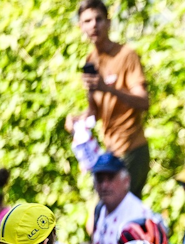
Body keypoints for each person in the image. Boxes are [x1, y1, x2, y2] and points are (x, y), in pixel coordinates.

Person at [66, 0, 151, 197]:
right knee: (101, 217)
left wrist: (108, 88)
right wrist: (77, 120)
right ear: (80, 27)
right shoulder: (91, 60)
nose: (93, 25)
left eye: (98, 19)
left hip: (132, 148)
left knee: (118, 209)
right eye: (87, 21)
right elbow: (94, 112)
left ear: (108, 23)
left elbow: (143, 101)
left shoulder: (126, 55)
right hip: (110, 150)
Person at [84, 153, 155, 244]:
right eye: (100, 179)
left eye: (111, 178)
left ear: (126, 181)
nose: (104, 185)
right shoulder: (100, 209)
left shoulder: (138, 216)